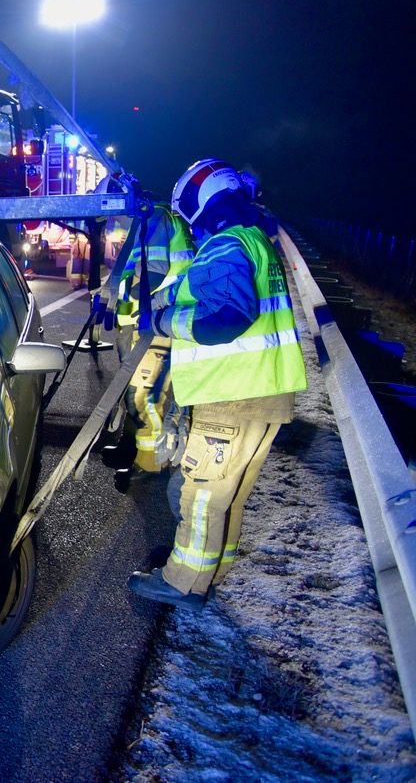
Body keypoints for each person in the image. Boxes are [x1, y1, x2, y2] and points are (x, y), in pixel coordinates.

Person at [127, 159, 306, 609]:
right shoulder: (253, 241)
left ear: (203, 198)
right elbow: (210, 290)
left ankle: (182, 583)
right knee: (231, 495)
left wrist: (165, 320)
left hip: (231, 395)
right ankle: (213, 571)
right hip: (263, 393)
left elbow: (227, 317)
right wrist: (164, 297)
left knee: (202, 495)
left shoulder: (226, 244)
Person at [107, 172, 196, 484]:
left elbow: (151, 277)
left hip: (155, 327)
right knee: (138, 396)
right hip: (155, 324)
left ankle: (149, 463)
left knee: (142, 399)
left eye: (114, 213)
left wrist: (124, 296)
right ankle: (134, 451)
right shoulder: (158, 219)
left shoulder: (154, 218)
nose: (113, 222)